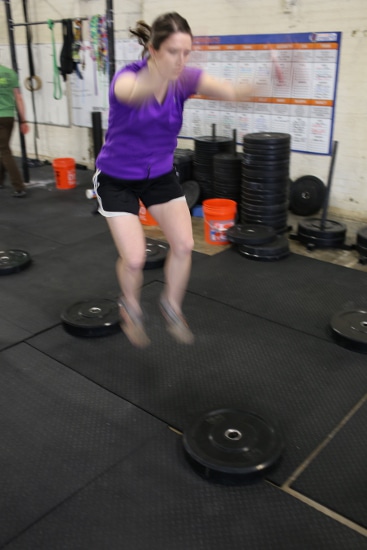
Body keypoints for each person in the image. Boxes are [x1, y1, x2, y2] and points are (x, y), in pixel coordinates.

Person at [93, 12, 276, 348]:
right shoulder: (126, 78)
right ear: (153, 49)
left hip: (159, 175)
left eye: (187, 52)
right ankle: (130, 306)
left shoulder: (186, 78)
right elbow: (135, 95)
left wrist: (271, 81)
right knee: (134, 258)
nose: (181, 61)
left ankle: (171, 306)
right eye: (173, 52)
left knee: (184, 244)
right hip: (117, 178)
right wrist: (160, 76)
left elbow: (233, 92)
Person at [0, 63, 29, 197]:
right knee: (3, 148)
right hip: (8, 117)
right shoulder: (9, 73)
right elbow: (18, 98)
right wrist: (23, 120)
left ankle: (19, 187)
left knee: (4, 150)